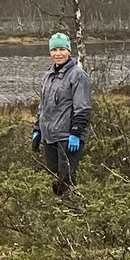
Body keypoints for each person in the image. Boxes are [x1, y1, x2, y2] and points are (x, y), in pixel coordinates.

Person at [30, 31, 92, 198]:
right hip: (49, 136)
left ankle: (72, 213)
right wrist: (37, 129)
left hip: (67, 137)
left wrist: (76, 133)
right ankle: (58, 212)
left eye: (61, 49)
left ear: (69, 51)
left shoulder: (78, 75)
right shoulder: (48, 75)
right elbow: (43, 105)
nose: (58, 54)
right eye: (54, 50)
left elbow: (83, 107)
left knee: (66, 179)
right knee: (53, 178)